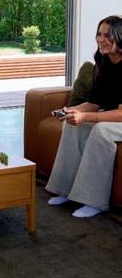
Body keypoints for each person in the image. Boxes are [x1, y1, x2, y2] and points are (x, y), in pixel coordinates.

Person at [46, 15, 122, 218]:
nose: (101, 39)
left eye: (107, 35)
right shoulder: (105, 62)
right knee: (73, 124)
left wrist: (86, 116)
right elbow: (94, 104)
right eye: (99, 34)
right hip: (114, 115)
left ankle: (93, 200)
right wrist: (72, 110)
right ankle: (65, 190)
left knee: (102, 130)